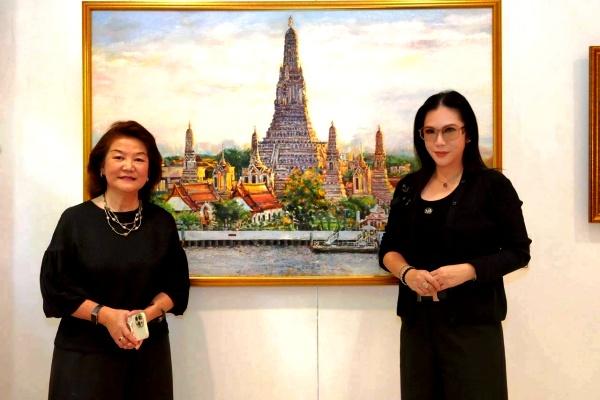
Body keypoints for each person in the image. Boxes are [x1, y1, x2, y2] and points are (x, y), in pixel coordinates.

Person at [379, 90, 531, 400]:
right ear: (421, 136)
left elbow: (519, 252)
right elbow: (388, 250)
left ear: (467, 134)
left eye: (449, 130)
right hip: (418, 328)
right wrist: (408, 274)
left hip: (473, 328)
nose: (439, 141)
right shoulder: (409, 187)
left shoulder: (493, 186)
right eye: (430, 132)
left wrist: (468, 271)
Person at [40, 121, 190, 400]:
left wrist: (144, 316)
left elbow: (177, 286)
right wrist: (107, 316)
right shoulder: (75, 220)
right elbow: (55, 290)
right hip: (84, 357)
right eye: (119, 157)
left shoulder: (162, 222)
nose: (129, 166)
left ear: (150, 171)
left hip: (146, 354)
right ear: (101, 166)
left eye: (139, 159)